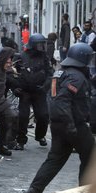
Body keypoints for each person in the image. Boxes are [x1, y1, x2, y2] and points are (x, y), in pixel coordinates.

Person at [24, 43, 95, 193]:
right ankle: (86, 190)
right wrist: (70, 125)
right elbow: (62, 100)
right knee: (90, 158)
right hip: (74, 124)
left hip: (58, 124)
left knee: (55, 159)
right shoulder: (76, 76)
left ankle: (34, 189)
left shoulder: (61, 72)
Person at [13, 33, 53, 150]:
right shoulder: (21, 56)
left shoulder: (44, 57)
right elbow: (13, 74)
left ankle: (40, 136)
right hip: (25, 92)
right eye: (39, 44)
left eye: (42, 44)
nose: (42, 47)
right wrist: (16, 88)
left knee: (43, 115)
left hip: (39, 91)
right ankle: (21, 140)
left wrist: (45, 86)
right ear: (33, 45)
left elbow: (50, 73)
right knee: (23, 117)